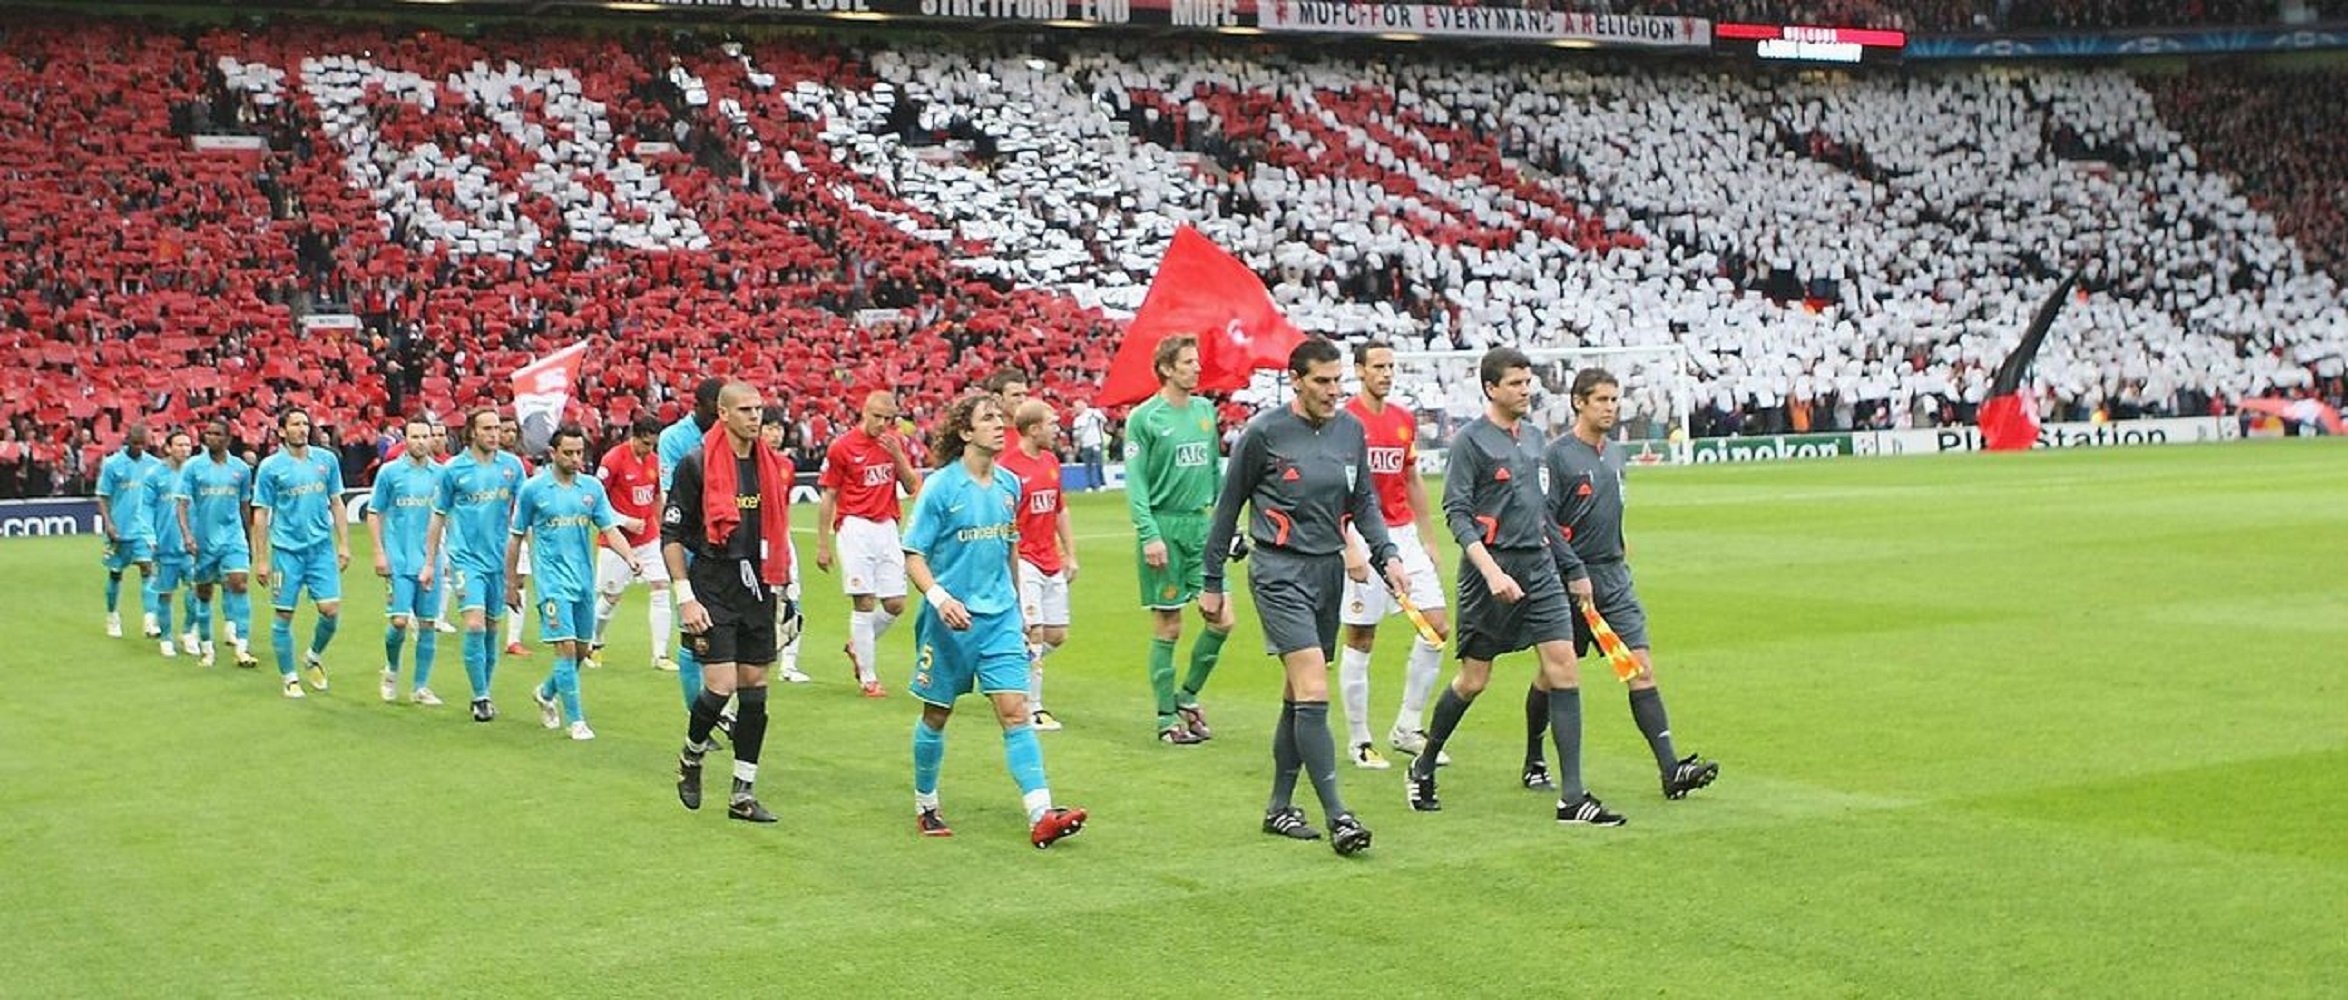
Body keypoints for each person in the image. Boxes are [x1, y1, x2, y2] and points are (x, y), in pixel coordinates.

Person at [1406, 347, 1626, 828]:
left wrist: (1569, 567)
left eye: (1528, 383)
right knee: (1473, 680)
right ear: (1491, 388)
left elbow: (1541, 515)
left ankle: (1573, 798)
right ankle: (1423, 765)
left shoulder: (1532, 439)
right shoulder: (1471, 442)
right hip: (1492, 571)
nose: (1526, 391)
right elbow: (1458, 515)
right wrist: (1491, 572)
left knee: (1564, 669)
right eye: (1516, 384)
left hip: (1540, 568)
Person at [1201, 338, 1404, 856]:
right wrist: (1211, 581)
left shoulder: (1350, 432)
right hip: (1277, 569)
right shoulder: (1265, 433)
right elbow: (1228, 509)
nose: (1333, 391)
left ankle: (1279, 807)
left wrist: (1388, 557)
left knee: (1298, 694)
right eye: (1322, 381)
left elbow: (1364, 504)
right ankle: (1339, 815)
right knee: (1314, 683)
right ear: (1296, 379)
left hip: (1327, 572)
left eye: (1338, 381)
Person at [1523, 369, 1720, 800]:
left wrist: (1618, 542)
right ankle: (1534, 756)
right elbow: (1545, 521)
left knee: (1641, 667)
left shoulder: (1615, 453)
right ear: (1578, 402)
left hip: (1614, 578)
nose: (1611, 407)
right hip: (1569, 580)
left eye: (1615, 400)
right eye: (1602, 400)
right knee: (1551, 674)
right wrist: (1574, 570)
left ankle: (1671, 768)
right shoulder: (1557, 457)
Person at [902, 393, 1087, 847]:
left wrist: (1022, 610)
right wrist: (941, 598)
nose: (999, 426)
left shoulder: (1009, 485)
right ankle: (926, 802)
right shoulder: (941, 488)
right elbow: (913, 555)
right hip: (950, 623)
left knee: (1015, 711)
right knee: (936, 715)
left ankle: (1041, 814)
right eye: (988, 419)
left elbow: (1010, 547)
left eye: (1000, 419)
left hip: (1000, 618)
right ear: (966, 433)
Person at [665, 383, 799, 823]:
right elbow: (671, 534)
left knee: (755, 686)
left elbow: (776, 533)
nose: (755, 417)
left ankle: (743, 792)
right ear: (722, 414)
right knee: (720, 686)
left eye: (759, 409)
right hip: (713, 582)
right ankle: (691, 756)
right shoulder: (697, 464)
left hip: (758, 585)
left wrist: (785, 592)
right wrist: (685, 596)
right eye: (745, 410)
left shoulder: (773, 467)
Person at [1333, 341, 1452, 770]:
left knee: (1436, 627)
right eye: (1378, 366)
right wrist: (1348, 546)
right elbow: (1334, 489)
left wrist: (1429, 537)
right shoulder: (1345, 421)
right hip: (1362, 535)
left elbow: (1412, 479)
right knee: (1362, 637)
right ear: (1360, 371)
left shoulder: (1402, 420)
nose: (1386, 373)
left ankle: (1407, 726)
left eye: (1391, 366)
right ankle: (1360, 739)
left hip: (1402, 535)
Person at [1123, 335, 1232, 744]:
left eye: (1196, 360)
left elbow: (1215, 474)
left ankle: (1187, 696)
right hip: (1164, 529)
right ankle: (1166, 720)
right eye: (1188, 361)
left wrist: (1224, 524)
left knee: (1223, 618)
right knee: (1169, 626)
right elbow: (1135, 484)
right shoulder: (1145, 418)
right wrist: (1149, 534)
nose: (1196, 367)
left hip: (1202, 528)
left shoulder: (1205, 410)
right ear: (1167, 368)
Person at [508, 424, 638, 741]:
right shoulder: (533, 490)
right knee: (566, 650)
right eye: (568, 452)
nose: (575, 458)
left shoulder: (591, 488)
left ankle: (545, 692)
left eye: (579, 452)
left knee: (581, 651)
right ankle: (576, 720)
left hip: (582, 580)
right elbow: (514, 538)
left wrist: (629, 556)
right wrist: (510, 582)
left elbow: (609, 528)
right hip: (551, 582)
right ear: (553, 453)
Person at [816, 389, 923, 698]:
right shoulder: (843, 447)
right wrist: (824, 544)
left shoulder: (894, 443)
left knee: (895, 603)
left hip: (887, 524)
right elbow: (829, 495)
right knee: (864, 601)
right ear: (864, 412)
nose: (881, 423)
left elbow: (911, 485)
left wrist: (898, 456)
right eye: (877, 417)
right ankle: (869, 677)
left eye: (888, 419)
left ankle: (857, 646)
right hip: (855, 527)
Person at [424, 408, 528, 722]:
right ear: (472, 432)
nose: (494, 434)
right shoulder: (454, 470)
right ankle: (480, 696)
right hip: (465, 559)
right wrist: (430, 562)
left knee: (493, 628)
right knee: (474, 624)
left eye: (497, 428)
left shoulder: (512, 467)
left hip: (498, 559)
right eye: (487, 428)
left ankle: (485, 688)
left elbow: (525, 514)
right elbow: (438, 516)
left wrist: (525, 559)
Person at [252, 408, 353, 700]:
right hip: (286, 552)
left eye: (305, 424)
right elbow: (261, 513)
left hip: (321, 549)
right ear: (282, 431)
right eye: (295, 424)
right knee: (284, 615)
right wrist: (261, 559)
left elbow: (336, 502)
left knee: (330, 611)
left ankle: (312, 655)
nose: (302, 429)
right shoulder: (271, 467)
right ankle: (290, 677)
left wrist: (344, 543)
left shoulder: (326, 460)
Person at [995, 399, 1076, 731]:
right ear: (1033, 429)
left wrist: (1070, 553)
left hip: (1049, 559)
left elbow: (1059, 509)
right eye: (1051, 423)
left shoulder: (1051, 462)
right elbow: (1000, 518)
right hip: (1023, 559)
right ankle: (1032, 707)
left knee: (1056, 635)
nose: (1057, 428)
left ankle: (1005, 664)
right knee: (1034, 630)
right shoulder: (1008, 468)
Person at [591, 416, 680, 673]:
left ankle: (660, 654)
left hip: (648, 539)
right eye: (645, 443)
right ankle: (595, 642)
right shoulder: (613, 460)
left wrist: (663, 529)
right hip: (616, 541)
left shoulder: (654, 461)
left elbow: (655, 497)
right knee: (611, 597)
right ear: (634, 435)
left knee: (661, 587)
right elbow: (594, 498)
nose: (648, 450)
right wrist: (624, 520)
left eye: (653, 445)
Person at [657, 378, 724, 705]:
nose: (718, 420)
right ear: (697, 406)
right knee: (694, 633)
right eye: (713, 413)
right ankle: (696, 715)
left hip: (724, 546)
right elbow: (674, 498)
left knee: (724, 629)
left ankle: (720, 708)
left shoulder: (728, 435)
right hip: (689, 542)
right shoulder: (673, 439)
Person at [369, 415, 445, 706]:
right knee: (399, 622)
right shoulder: (390, 473)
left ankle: (420, 687)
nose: (420, 441)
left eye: (425, 436)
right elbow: (375, 512)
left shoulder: (440, 475)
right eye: (414, 436)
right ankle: (391, 669)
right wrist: (379, 552)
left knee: (427, 624)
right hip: (399, 559)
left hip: (430, 561)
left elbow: (445, 517)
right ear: (405, 439)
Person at [177, 420, 259, 669]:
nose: (210, 437)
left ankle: (242, 648)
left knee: (239, 583)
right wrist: (188, 535)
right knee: (204, 593)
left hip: (233, 538)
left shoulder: (241, 469)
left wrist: (248, 538)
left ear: (227, 439)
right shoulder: (193, 467)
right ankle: (207, 648)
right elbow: (181, 504)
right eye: (208, 433)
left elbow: (245, 506)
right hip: (204, 540)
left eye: (216, 434)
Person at [95, 420, 164, 640]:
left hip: (144, 530)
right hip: (120, 527)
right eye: (136, 443)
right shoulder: (113, 464)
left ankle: (150, 619)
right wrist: (109, 523)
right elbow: (103, 496)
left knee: (148, 569)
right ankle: (112, 615)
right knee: (116, 573)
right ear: (128, 441)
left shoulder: (154, 464)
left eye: (143, 444)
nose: (139, 447)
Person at [755, 406, 809, 683]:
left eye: (779, 429)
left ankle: (789, 665)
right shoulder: (748, 463)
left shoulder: (787, 466)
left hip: (781, 537)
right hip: (755, 538)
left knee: (793, 596)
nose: (775, 434)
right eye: (770, 428)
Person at [147, 431, 197, 659]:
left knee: (197, 589)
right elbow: (145, 508)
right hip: (165, 545)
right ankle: (166, 637)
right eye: (180, 445)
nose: (185, 449)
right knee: (165, 593)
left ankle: (187, 632)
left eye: (188, 445)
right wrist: (149, 535)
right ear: (168, 448)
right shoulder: (155, 475)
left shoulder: (196, 472)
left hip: (192, 545)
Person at [500, 415, 536, 659]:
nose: (509, 435)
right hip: (488, 532)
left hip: (515, 530)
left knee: (518, 579)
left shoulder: (523, 466)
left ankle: (513, 639)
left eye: (513, 430)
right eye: (504, 430)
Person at [1071, 398, 1108, 492]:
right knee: (1088, 466)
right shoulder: (1077, 419)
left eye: (1077, 406)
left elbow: (1104, 421)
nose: (1076, 409)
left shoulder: (1094, 412)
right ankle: (1089, 485)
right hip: (1085, 444)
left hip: (1096, 442)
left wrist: (1098, 416)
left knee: (1099, 464)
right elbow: (1076, 434)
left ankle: (1102, 483)